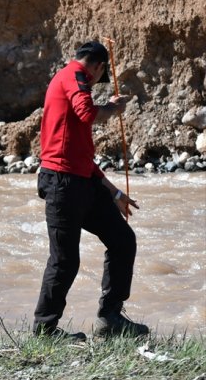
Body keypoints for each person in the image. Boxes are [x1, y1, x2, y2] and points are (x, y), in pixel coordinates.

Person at [33, 41, 148, 341]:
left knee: (123, 239)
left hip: (81, 181)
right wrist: (113, 107)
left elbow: (84, 159)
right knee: (64, 260)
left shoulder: (74, 82)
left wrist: (115, 194)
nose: (97, 81)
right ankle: (44, 330)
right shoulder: (74, 77)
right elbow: (87, 112)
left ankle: (111, 318)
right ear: (96, 67)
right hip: (61, 183)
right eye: (100, 75)